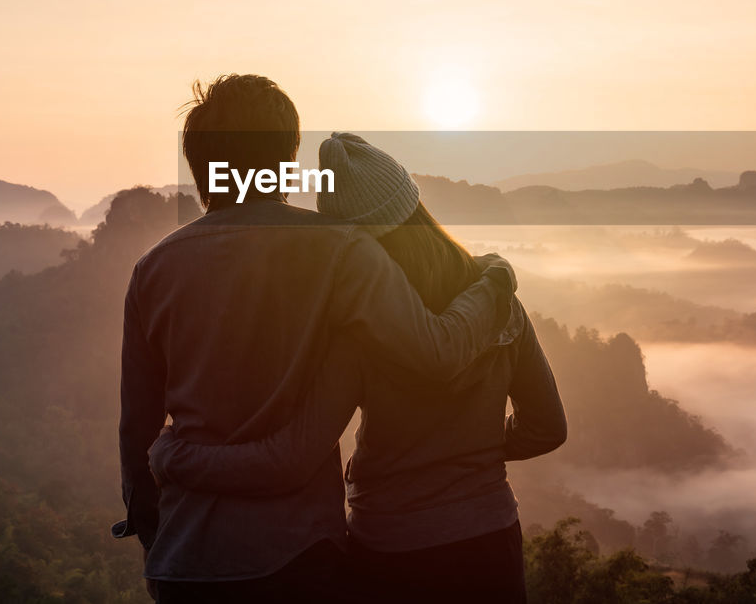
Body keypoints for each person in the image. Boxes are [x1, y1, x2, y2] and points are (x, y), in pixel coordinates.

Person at [114, 76, 518, 603]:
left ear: (199, 166)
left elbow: (136, 433)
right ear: (288, 156)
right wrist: (493, 286)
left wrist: (156, 534)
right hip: (297, 557)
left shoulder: (153, 270)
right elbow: (435, 353)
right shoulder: (342, 251)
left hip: (186, 563)